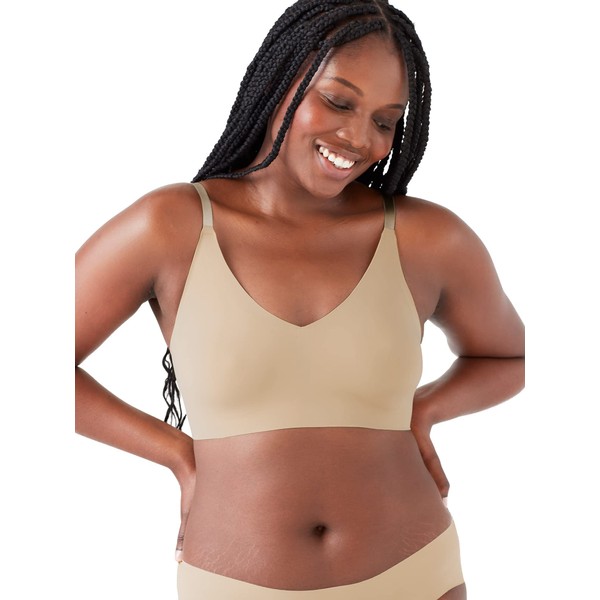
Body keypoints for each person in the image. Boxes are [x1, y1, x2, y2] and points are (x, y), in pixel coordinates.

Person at [75, 0, 524, 598]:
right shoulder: (170, 226)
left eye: (386, 121)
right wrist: (178, 454)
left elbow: (511, 357)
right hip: (235, 584)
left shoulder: (427, 237)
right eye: (338, 102)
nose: (360, 139)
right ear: (278, 81)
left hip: (416, 574)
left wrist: (425, 408)